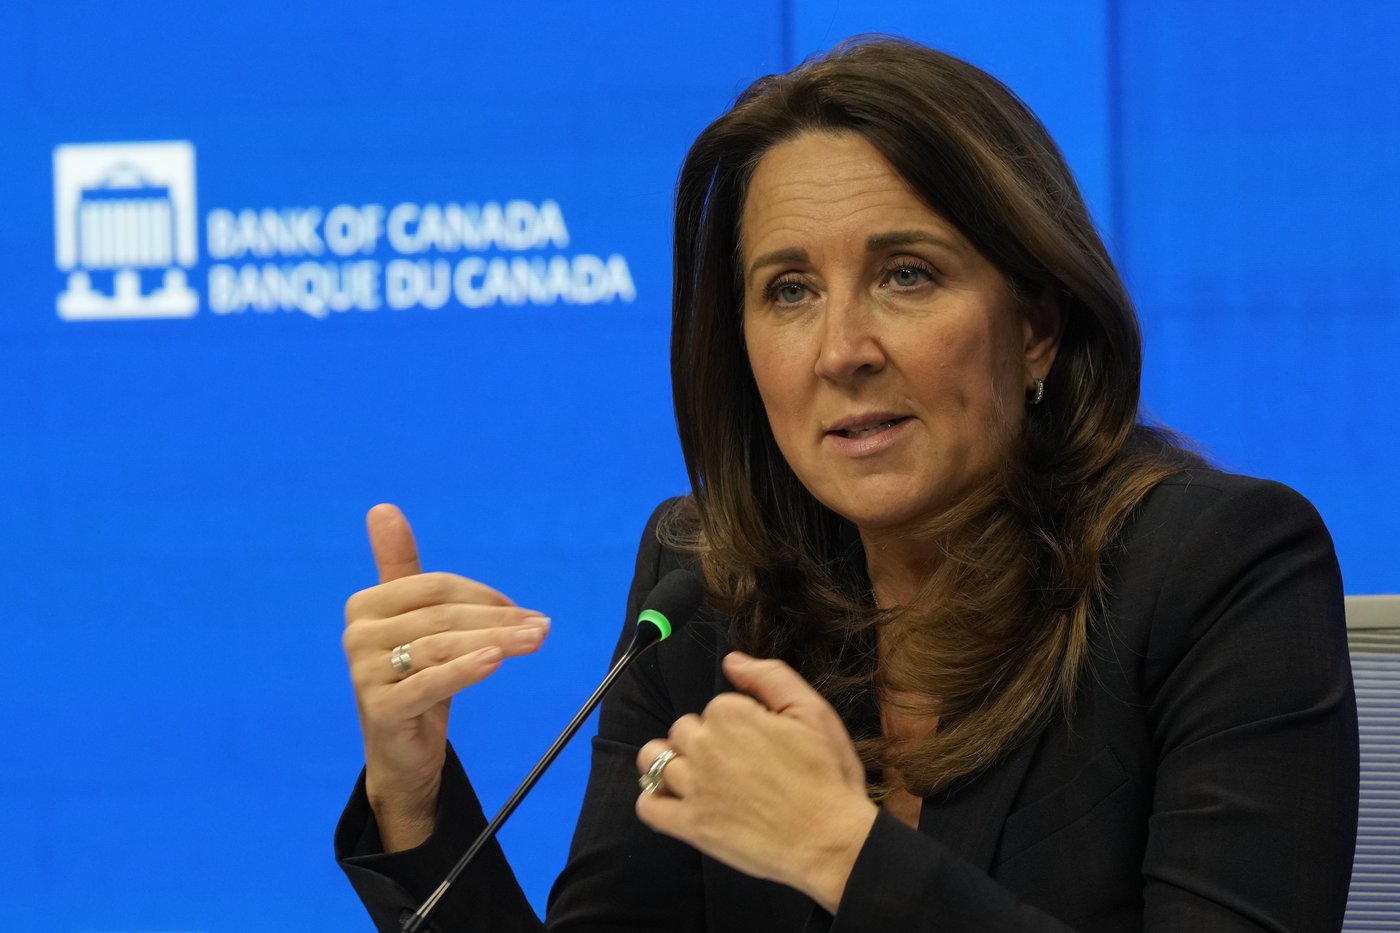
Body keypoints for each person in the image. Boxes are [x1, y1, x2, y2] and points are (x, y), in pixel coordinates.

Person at [335, 37, 1359, 932]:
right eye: (788, 291)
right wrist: (413, 794)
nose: (841, 351)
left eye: (905, 275)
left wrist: (843, 856)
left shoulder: (1218, 571)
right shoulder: (704, 592)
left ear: (1036, 326)